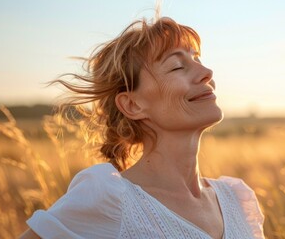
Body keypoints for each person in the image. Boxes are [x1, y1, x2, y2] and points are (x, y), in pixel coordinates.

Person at [20, 15, 264, 239]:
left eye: (197, 59)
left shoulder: (238, 200)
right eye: (177, 66)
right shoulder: (110, 199)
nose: (207, 73)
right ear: (133, 104)